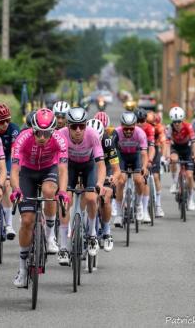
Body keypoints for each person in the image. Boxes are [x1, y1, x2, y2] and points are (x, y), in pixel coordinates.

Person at [10, 108, 69, 287]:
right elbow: (14, 170)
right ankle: (21, 268)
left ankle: (50, 237)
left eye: (46, 133)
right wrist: (16, 189)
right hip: (27, 172)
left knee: (50, 191)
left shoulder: (60, 139)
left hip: (48, 170)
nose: (42, 137)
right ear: (32, 129)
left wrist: (64, 192)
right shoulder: (22, 139)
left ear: (53, 131)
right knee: (27, 221)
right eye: (38, 132)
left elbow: (63, 170)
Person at [57, 108, 106, 264]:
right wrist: (62, 190)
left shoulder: (92, 135)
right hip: (69, 166)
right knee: (65, 200)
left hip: (88, 166)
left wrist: (99, 183)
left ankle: (92, 235)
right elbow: (61, 166)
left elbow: (101, 165)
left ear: (86, 125)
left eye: (82, 126)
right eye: (74, 126)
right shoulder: (61, 135)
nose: (78, 130)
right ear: (68, 126)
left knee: (91, 197)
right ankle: (63, 248)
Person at [87, 118, 120, 252]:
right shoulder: (83, 139)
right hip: (89, 168)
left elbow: (116, 169)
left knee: (105, 198)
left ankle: (106, 231)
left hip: (106, 168)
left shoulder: (107, 141)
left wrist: (113, 177)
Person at [0, 103, 20, 239]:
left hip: (6, 158)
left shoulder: (13, 129)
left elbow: (14, 152)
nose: (5, 124)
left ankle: (8, 225)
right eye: (2, 121)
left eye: (8, 120)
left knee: (6, 185)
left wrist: (10, 172)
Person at [113, 111, 148, 223]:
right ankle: (118, 213)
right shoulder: (116, 133)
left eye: (131, 129)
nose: (128, 131)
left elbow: (144, 153)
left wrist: (145, 167)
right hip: (122, 156)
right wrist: (114, 169)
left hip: (135, 156)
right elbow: (112, 152)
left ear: (135, 126)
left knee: (138, 180)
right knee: (121, 181)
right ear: (121, 126)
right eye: (125, 129)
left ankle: (138, 205)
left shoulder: (140, 133)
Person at [166, 107, 195, 210]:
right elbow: (167, 144)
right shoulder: (170, 128)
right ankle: (175, 182)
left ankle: (191, 199)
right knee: (173, 159)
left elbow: (194, 142)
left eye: (179, 121)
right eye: (175, 122)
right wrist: (167, 156)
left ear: (182, 120)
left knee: (189, 176)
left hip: (186, 149)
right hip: (175, 148)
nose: (177, 124)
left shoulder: (188, 126)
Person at [136, 108, 155, 223]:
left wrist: (149, 160)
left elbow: (151, 147)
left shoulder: (149, 128)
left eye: (142, 120)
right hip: (132, 153)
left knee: (144, 179)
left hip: (145, 152)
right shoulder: (130, 129)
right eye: (137, 121)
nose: (140, 123)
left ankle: (145, 209)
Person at [146, 111, 167, 217]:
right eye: (147, 123)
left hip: (155, 149)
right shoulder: (141, 127)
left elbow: (164, 143)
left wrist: (163, 157)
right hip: (144, 150)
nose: (150, 126)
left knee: (155, 176)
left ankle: (158, 206)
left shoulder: (159, 128)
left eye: (152, 124)